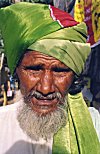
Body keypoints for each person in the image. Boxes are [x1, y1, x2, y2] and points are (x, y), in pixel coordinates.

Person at [0, 2, 99, 154]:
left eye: (60, 71)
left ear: (74, 76)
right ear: (16, 71)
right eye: (34, 69)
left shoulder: (94, 123)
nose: (45, 88)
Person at [74, 0, 100, 112]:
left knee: (95, 77)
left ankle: (94, 101)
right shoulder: (78, 4)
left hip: (97, 41)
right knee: (86, 75)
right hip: (85, 43)